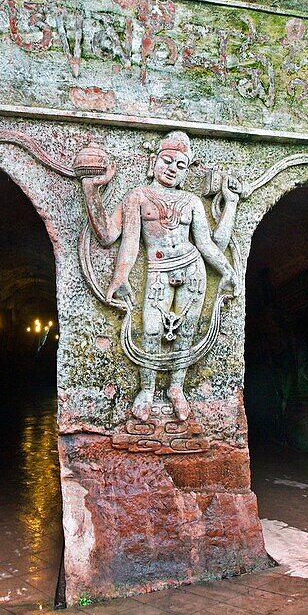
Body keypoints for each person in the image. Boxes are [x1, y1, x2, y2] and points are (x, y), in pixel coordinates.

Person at [81, 131, 239, 421]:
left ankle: (177, 388)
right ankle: (148, 389)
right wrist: (91, 189)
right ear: (153, 161)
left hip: (192, 268)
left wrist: (228, 269)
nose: (172, 169)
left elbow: (208, 244)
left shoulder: (191, 201)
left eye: (181, 166)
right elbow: (117, 238)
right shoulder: (138, 196)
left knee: (186, 331)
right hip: (157, 269)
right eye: (167, 161)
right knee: (151, 328)